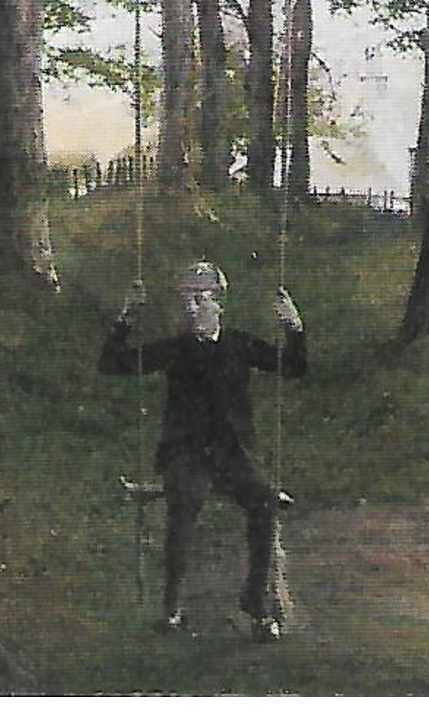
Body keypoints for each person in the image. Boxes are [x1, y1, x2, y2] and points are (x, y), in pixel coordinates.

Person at [98, 260, 307, 641]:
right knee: (185, 502)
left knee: (264, 501)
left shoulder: (240, 345)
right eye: (187, 300)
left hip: (233, 456)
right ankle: (172, 608)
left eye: (200, 298)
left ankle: (257, 607)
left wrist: (293, 327)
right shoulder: (175, 350)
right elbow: (112, 363)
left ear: (219, 304)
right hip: (187, 455)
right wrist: (127, 316)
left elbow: (293, 367)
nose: (191, 308)